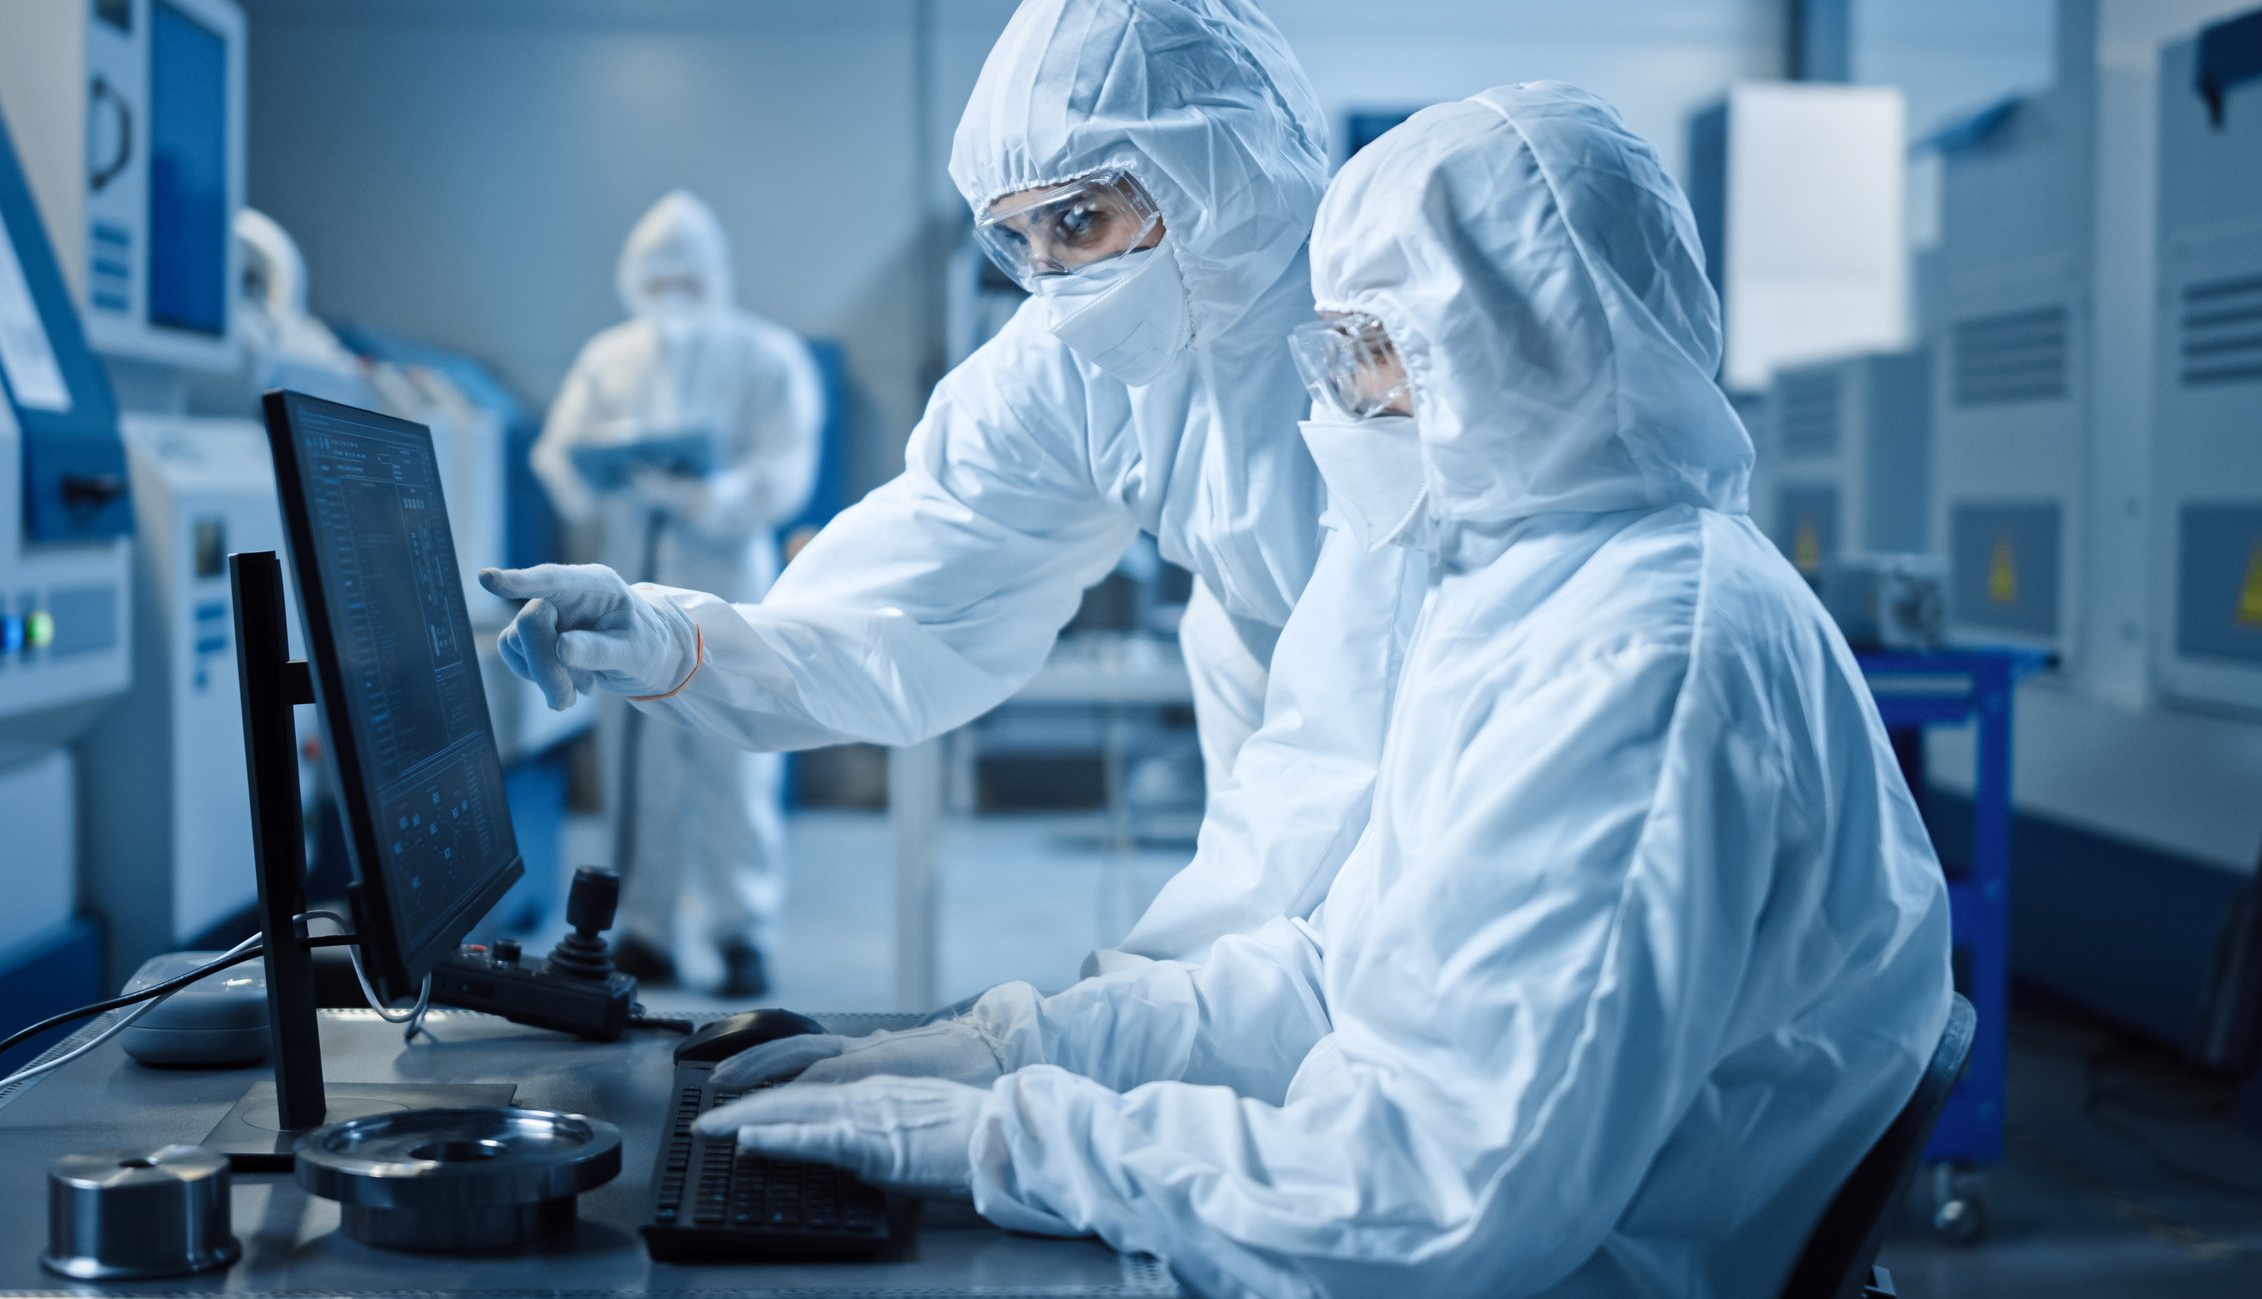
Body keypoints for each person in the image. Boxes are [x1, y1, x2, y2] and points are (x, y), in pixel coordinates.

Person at [697, 84, 1956, 1299]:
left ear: (1521, 345)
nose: (1343, 402)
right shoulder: (1523, 588)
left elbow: (1435, 1207)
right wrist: (1013, 1049)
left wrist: (1011, 1142)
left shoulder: (1642, 666)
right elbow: (1332, 972)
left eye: (1371, 351)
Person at [482, 0, 1336, 877]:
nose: (1047, 276)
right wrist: (667, 637)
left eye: (1076, 221)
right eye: (1019, 237)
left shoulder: (1407, 318)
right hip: (1271, 759)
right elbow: (911, 604)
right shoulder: (1065, 366)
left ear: (1217, 170)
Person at [524, 190, 824, 996]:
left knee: (735, 759)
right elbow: (558, 457)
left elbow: (786, 469)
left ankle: (740, 931)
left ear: (714, 276)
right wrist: (608, 470)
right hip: (632, 582)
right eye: (656, 282)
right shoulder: (608, 359)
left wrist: (708, 497)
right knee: (638, 762)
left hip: (732, 585)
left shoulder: (766, 357)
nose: (670, 298)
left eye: (684, 280)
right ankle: (643, 929)